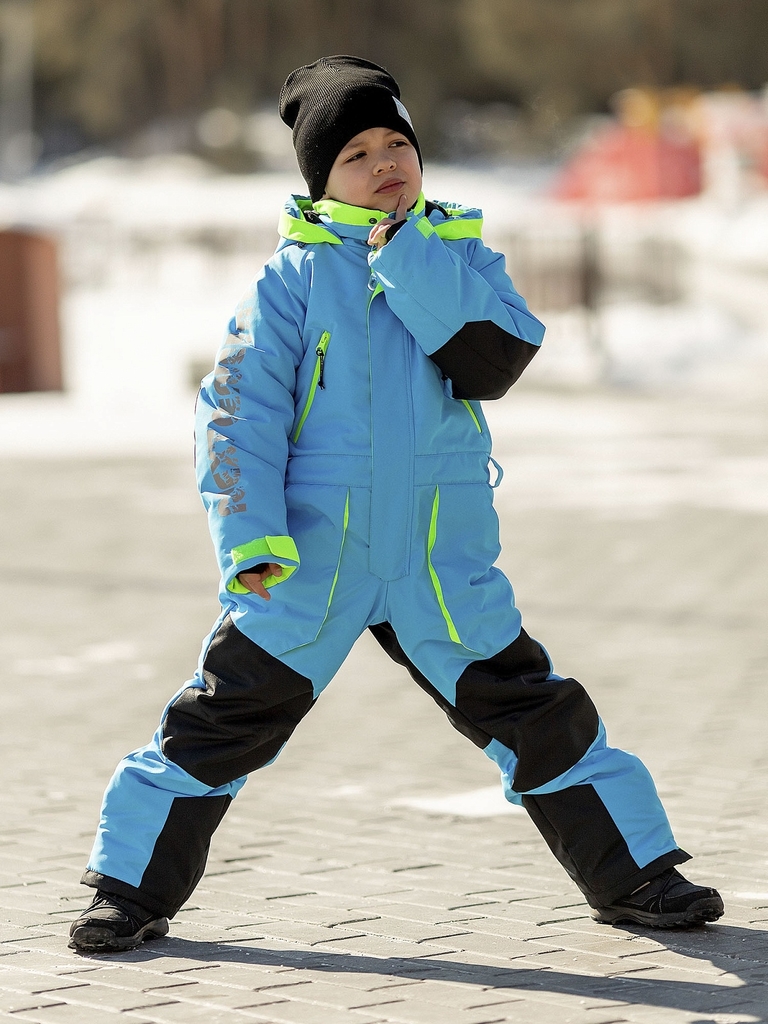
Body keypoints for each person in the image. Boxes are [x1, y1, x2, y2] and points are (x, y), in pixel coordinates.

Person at [69, 56, 723, 954]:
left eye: (396, 144)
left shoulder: (462, 258)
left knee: (536, 713)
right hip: (313, 562)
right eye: (356, 154)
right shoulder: (291, 282)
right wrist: (249, 537)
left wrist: (406, 255)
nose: (384, 163)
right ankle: (126, 890)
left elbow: (495, 360)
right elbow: (235, 417)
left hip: (436, 563)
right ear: (320, 180)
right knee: (219, 720)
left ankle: (639, 877)